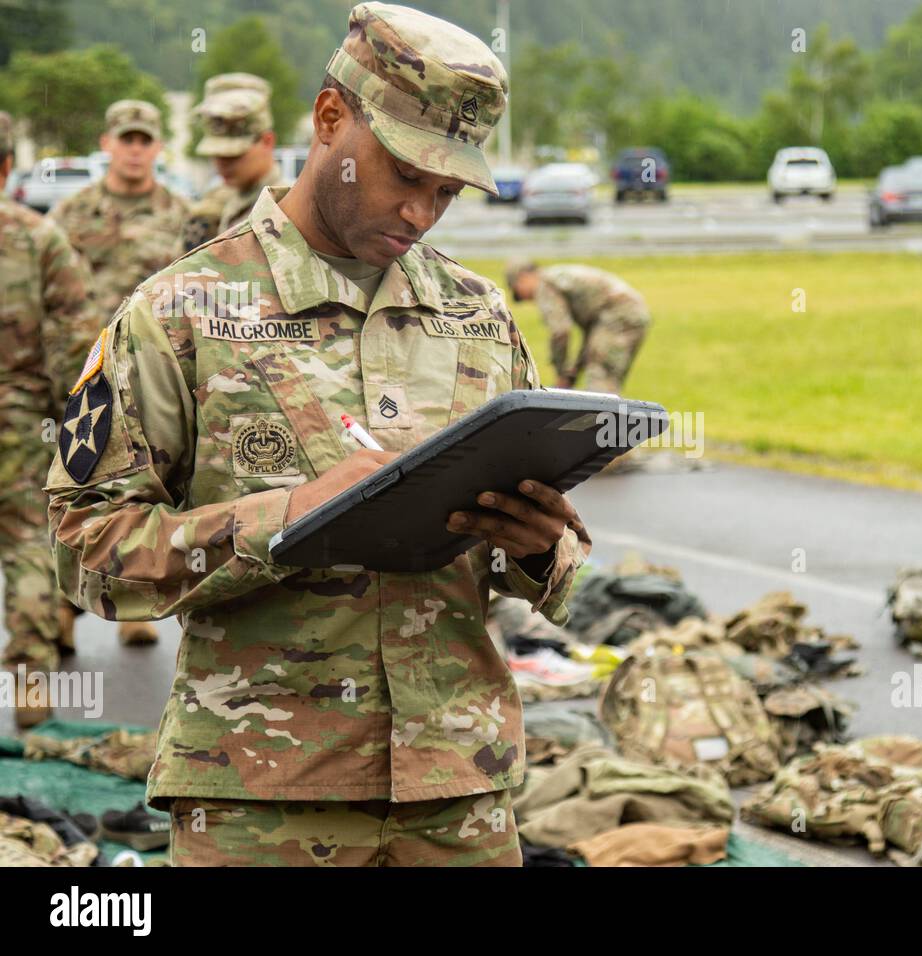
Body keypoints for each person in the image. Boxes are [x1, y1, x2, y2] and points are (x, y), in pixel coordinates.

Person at [46, 2, 590, 867]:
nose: (421, 211)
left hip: (459, 794)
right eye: (404, 174)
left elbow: (555, 561)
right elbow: (85, 550)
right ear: (330, 118)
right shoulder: (181, 313)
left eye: (447, 191)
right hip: (263, 798)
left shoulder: (479, 317)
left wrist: (539, 553)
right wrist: (283, 519)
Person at [51, 98, 190, 648]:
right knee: (74, 497)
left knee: (150, 490)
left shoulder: (182, 215)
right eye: (125, 139)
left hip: (153, 380)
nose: (134, 150)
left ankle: (135, 607)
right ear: (107, 145)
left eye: (144, 140)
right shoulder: (71, 215)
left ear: (157, 147)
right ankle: (62, 612)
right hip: (86, 376)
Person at [0, 111, 102, 727]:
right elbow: (73, 346)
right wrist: (74, 428)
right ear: (9, 165)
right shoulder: (38, 238)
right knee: (25, 546)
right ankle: (31, 685)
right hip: (19, 418)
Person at [504, 260, 651, 392]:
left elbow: (560, 331)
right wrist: (573, 373)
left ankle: (601, 420)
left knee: (600, 377)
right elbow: (590, 340)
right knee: (605, 376)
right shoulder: (556, 277)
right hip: (628, 314)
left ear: (523, 277)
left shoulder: (544, 285)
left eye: (518, 291)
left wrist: (561, 372)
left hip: (618, 315)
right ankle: (607, 419)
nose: (525, 299)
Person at [181, 73, 284, 251]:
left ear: (267, 141)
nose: (222, 164)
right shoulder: (211, 204)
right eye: (216, 153)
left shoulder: (288, 205)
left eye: (234, 155)